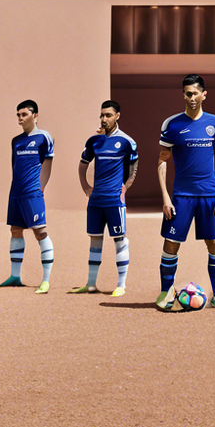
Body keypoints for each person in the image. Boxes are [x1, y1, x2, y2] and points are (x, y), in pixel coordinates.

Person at [155, 74, 215, 311]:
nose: (191, 97)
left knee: (214, 244)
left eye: (195, 93)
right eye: (187, 93)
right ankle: (165, 294)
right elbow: (162, 161)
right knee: (171, 244)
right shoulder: (172, 124)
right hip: (181, 196)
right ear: (183, 95)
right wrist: (166, 197)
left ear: (204, 94)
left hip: (210, 194)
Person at [72, 101, 137, 297]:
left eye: (108, 115)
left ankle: (121, 285)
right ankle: (91, 284)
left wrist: (125, 188)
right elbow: (83, 164)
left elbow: (134, 169)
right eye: (102, 115)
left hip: (114, 201)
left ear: (117, 116)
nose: (104, 119)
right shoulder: (94, 141)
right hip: (96, 201)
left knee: (119, 240)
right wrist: (85, 186)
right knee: (95, 241)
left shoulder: (127, 142)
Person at [0, 100, 55, 293]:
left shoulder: (44, 138)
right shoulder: (16, 140)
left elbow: (47, 164)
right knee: (15, 230)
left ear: (35, 115)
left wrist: (41, 187)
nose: (20, 119)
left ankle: (45, 280)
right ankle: (15, 276)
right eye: (18, 115)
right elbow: (14, 166)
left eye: (24, 114)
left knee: (40, 232)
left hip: (33, 193)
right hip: (16, 193)